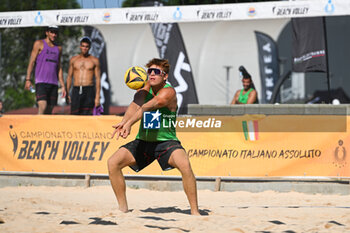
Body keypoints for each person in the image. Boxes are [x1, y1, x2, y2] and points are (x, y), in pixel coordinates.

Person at [107, 58, 200, 215]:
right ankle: (123, 208)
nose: (151, 74)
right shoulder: (143, 90)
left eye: (156, 72)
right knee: (113, 163)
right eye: (149, 71)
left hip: (165, 142)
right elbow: (134, 105)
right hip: (144, 142)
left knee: (185, 166)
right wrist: (124, 122)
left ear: (165, 76)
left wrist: (130, 123)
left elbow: (150, 105)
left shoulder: (169, 92)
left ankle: (195, 211)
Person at [25, 25, 66, 114]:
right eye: (51, 32)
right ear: (47, 32)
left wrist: (63, 86)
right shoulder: (39, 43)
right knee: (42, 106)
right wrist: (28, 79)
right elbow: (31, 62)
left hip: (54, 83)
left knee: (49, 111)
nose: (54, 35)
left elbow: (59, 68)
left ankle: (45, 128)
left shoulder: (59, 48)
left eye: (55, 33)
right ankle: (36, 128)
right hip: (41, 82)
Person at [66, 37, 101, 115]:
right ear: (80, 46)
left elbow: (98, 79)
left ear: (89, 47)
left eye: (86, 46)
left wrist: (97, 97)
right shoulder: (74, 59)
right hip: (76, 89)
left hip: (89, 90)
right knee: (74, 114)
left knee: (87, 114)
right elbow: (69, 77)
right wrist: (67, 92)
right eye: (83, 46)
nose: (84, 48)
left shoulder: (94, 60)